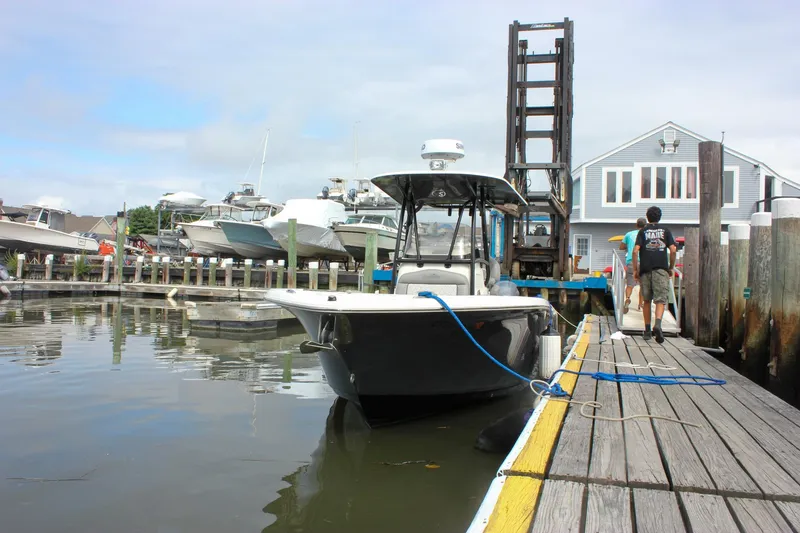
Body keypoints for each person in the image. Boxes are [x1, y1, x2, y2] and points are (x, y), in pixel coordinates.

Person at [633, 206, 676, 343]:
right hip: (661, 269)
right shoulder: (666, 231)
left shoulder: (643, 231)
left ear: (647, 217)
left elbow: (635, 251)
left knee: (647, 300)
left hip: (645, 269)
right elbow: (673, 250)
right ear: (659, 217)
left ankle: (647, 330)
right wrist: (670, 267)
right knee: (660, 299)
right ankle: (657, 324)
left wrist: (635, 270)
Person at [619, 217, 646, 313]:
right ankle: (640, 304)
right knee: (643, 285)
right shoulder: (647, 234)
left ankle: (627, 298)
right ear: (645, 225)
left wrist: (629, 245)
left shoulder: (629, 234)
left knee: (630, 284)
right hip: (644, 262)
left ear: (636, 225)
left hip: (631, 261)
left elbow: (621, 247)